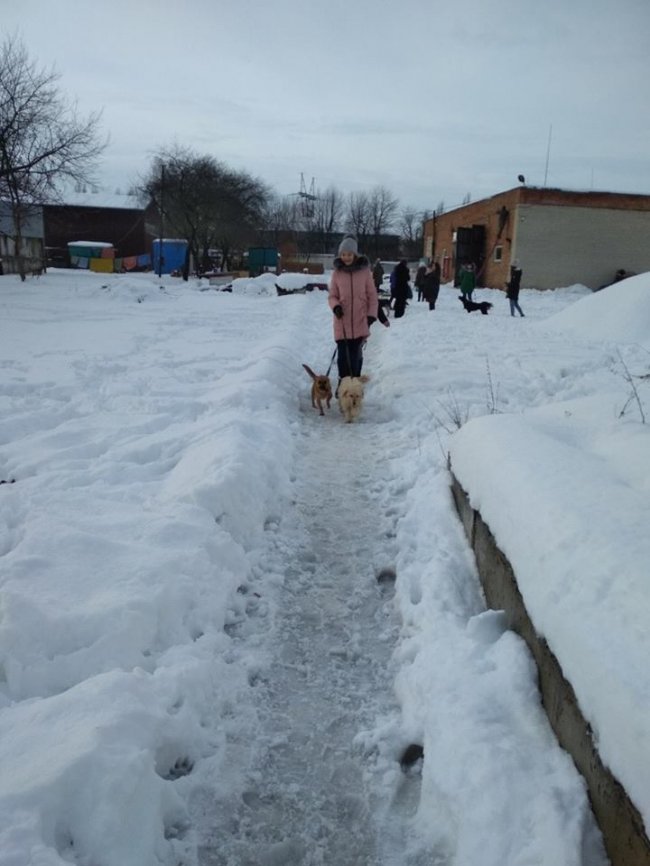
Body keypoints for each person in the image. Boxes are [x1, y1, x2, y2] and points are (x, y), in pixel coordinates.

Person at [328, 236, 378, 384]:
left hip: (360, 321)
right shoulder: (337, 273)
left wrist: (371, 316)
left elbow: (372, 296)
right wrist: (335, 306)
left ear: (355, 254)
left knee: (356, 357)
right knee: (343, 358)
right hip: (341, 322)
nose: (346, 257)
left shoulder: (365, 272)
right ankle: (343, 385)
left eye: (349, 254)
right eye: (343, 254)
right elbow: (332, 296)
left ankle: (355, 387)